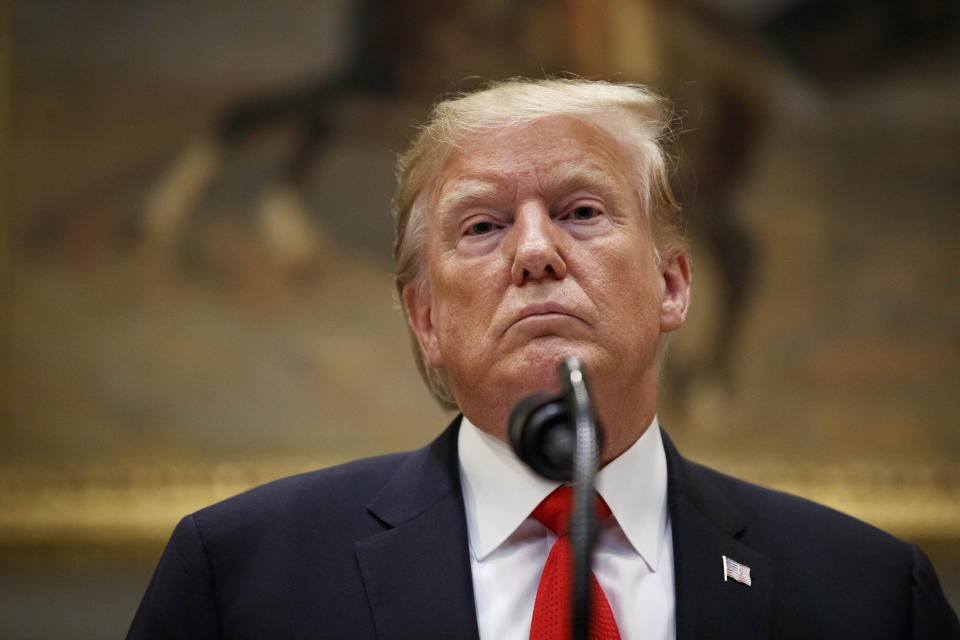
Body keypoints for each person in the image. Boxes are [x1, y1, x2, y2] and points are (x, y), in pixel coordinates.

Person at [127, 78, 959, 639]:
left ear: (672, 286)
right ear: (424, 319)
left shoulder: (871, 595)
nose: (534, 253)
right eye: (482, 226)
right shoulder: (241, 580)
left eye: (583, 210)